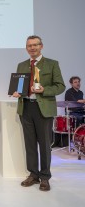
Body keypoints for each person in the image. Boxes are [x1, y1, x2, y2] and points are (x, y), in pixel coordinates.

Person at [12, 35, 65, 192]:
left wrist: (44, 90)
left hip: (44, 108)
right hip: (26, 107)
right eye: (29, 45)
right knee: (30, 144)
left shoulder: (52, 64)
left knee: (44, 144)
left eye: (35, 45)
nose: (32, 48)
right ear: (26, 48)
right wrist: (17, 92)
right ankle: (33, 174)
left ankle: (45, 177)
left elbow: (60, 86)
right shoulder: (21, 65)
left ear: (41, 46)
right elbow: (19, 86)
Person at [53, 76, 85, 147]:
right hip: (72, 112)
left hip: (80, 111)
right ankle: (78, 138)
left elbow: (81, 103)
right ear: (71, 84)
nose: (78, 83)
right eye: (75, 82)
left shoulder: (81, 92)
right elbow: (76, 102)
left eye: (78, 82)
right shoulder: (69, 92)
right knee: (79, 118)